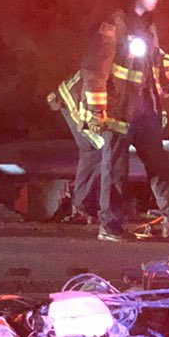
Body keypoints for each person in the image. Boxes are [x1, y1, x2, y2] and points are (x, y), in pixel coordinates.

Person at [82, 0, 169, 242]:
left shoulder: (148, 27)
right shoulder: (114, 25)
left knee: (159, 164)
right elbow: (95, 69)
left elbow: (154, 61)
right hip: (119, 112)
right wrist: (98, 109)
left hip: (145, 110)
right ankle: (110, 225)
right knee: (115, 169)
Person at [47, 66, 104, 221]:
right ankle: (85, 205)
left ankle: (86, 205)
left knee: (95, 152)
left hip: (80, 98)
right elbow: (94, 81)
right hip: (76, 99)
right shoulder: (107, 57)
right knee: (98, 148)